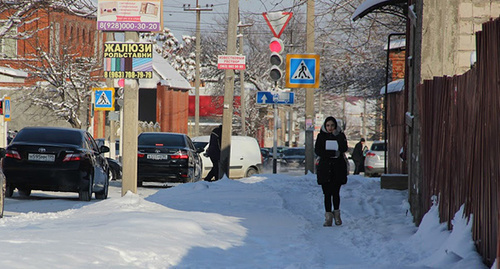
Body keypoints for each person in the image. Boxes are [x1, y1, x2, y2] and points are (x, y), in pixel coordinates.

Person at [315, 116, 348, 226]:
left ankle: (337, 215)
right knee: (327, 194)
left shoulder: (340, 135)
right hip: (325, 168)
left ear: (335, 126)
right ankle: (328, 217)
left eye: (332, 125)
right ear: (325, 126)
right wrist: (331, 153)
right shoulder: (321, 136)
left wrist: (337, 137)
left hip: (337, 168)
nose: (330, 128)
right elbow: (318, 150)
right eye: (328, 125)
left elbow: (344, 148)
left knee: (336, 193)